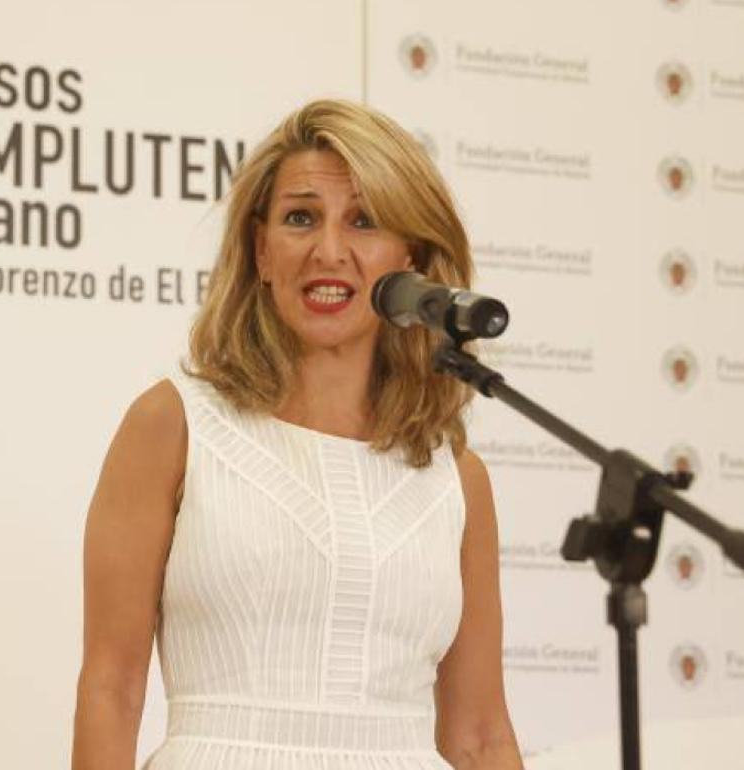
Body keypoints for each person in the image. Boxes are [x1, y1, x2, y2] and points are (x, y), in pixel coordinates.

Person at [72, 99, 522, 770]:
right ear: (261, 250)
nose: (329, 251)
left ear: (412, 260)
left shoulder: (457, 478)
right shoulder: (173, 425)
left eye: (363, 221)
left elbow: (480, 735)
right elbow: (112, 689)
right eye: (301, 218)